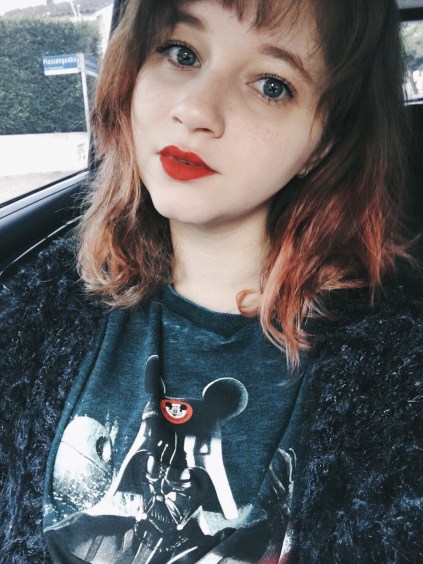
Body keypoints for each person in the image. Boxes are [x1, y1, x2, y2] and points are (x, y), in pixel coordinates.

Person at [1, 0, 422, 561]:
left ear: (322, 143)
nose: (197, 109)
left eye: (271, 85)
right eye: (182, 53)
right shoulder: (39, 306)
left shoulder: (396, 375)